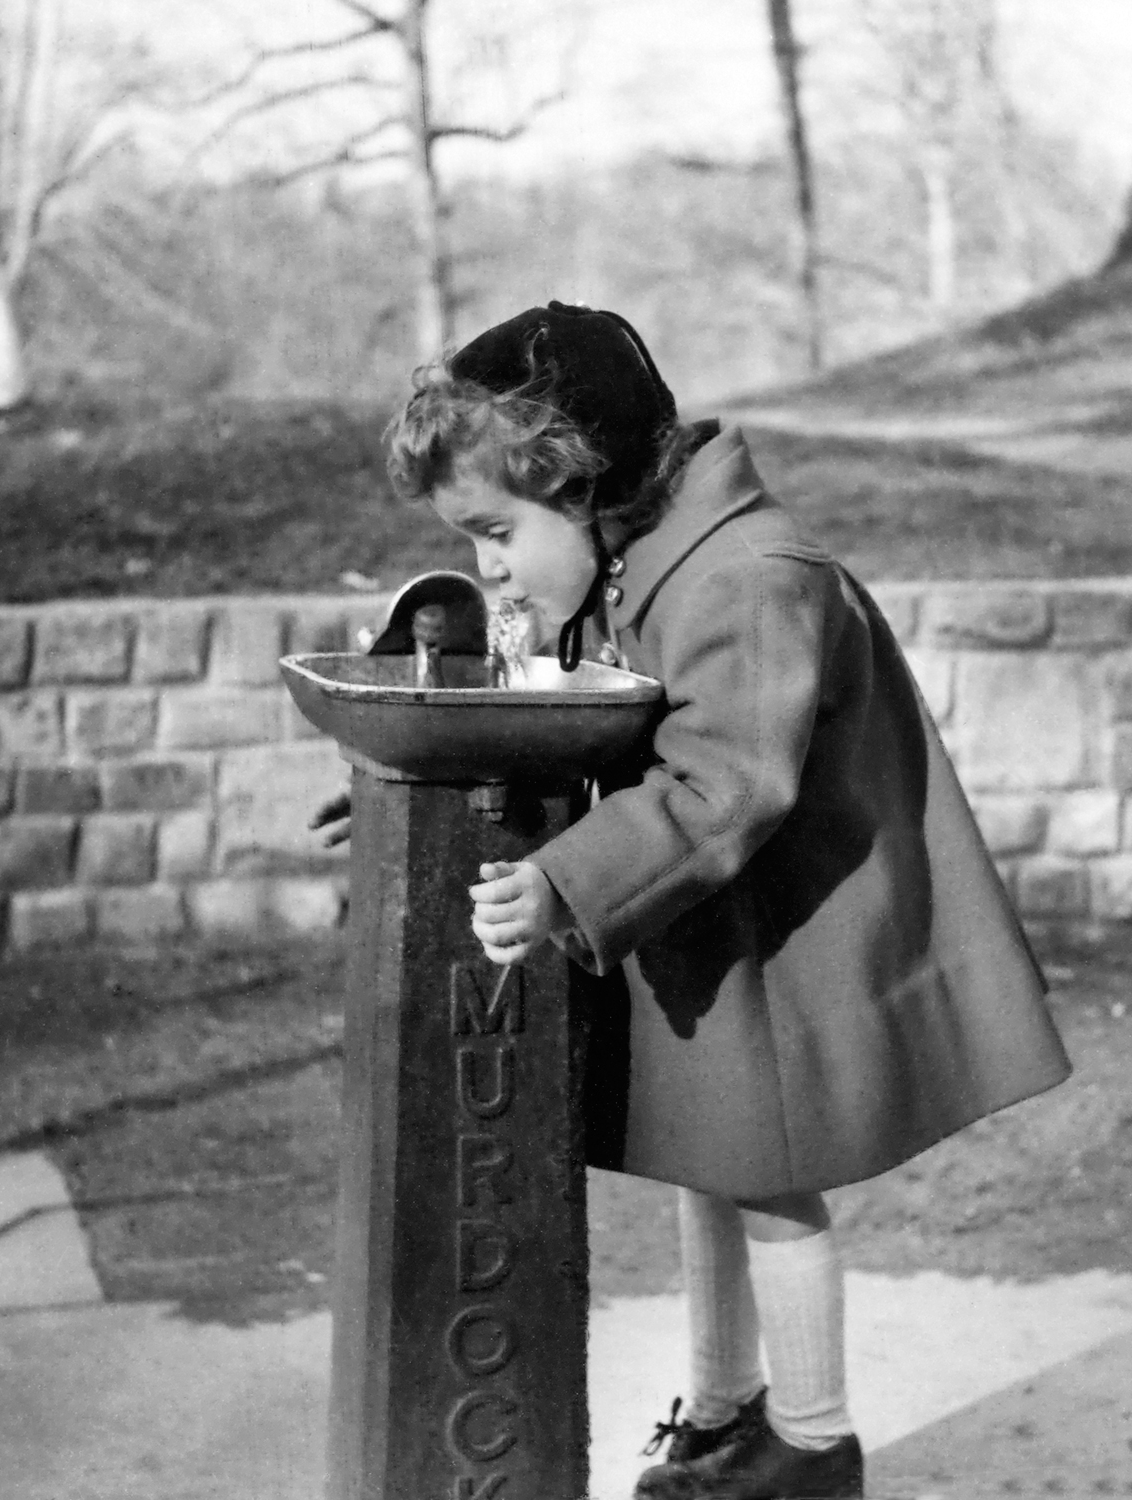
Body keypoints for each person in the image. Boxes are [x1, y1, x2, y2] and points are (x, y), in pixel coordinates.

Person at [321, 301, 1073, 1500]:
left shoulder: (749, 577)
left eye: (496, 533)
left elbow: (729, 783)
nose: (492, 569)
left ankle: (816, 1442)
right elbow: (588, 713)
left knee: (769, 1178)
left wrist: (565, 877)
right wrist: (420, 783)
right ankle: (725, 1411)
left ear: (583, 482)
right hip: (711, 926)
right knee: (711, 1162)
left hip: (795, 932)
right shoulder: (637, 561)